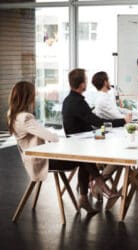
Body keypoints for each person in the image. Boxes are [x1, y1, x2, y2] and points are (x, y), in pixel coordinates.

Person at [7, 81, 115, 214]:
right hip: (41, 161)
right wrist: (55, 135)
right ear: (27, 97)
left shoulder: (13, 116)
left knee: (83, 159)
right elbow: (52, 137)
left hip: (34, 159)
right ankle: (96, 186)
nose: (34, 98)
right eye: (33, 95)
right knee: (83, 158)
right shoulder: (26, 118)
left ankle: (90, 192)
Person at [62, 68, 126, 135]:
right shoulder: (78, 102)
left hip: (80, 137)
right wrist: (123, 121)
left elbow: (86, 115)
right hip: (82, 139)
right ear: (82, 84)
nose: (87, 82)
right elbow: (98, 122)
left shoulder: (67, 100)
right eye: (86, 80)